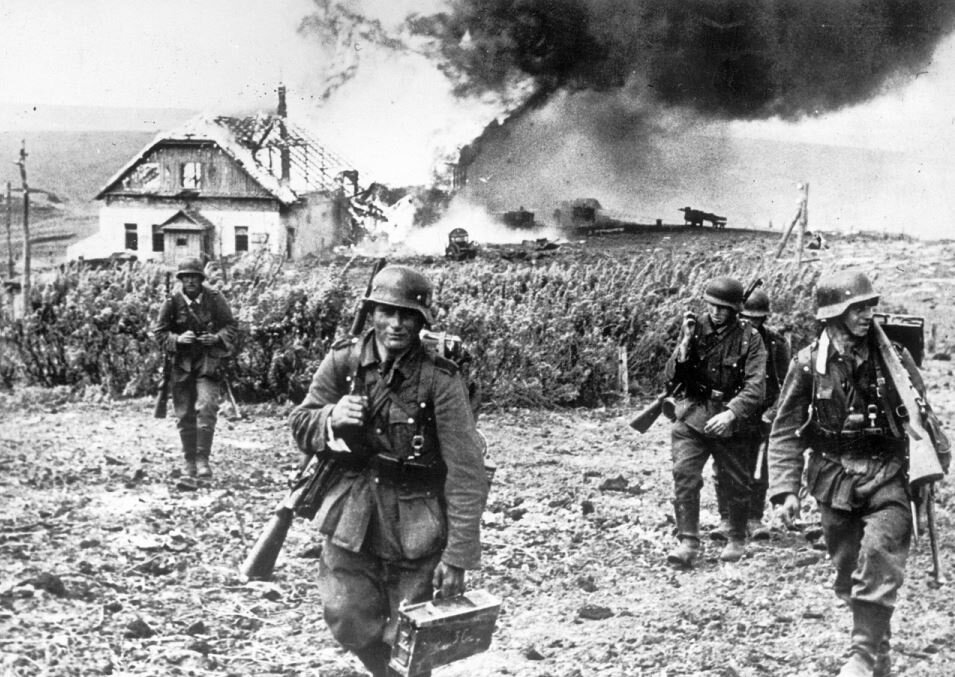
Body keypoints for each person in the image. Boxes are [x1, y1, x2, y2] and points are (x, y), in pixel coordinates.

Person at [288, 265, 489, 677]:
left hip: (416, 523)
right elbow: (300, 423)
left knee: (410, 637)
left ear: (421, 321)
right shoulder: (344, 361)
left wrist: (458, 555)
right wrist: (331, 416)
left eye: (407, 315)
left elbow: (467, 471)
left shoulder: (439, 379)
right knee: (345, 615)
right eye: (386, 312)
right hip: (352, 514)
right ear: (372, 314)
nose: (396, 324)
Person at [768, 269, 950, 677]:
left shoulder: (894, 359)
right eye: (857, 308)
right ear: (833, 314)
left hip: (888, 475)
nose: (867, 315)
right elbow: (785, 430)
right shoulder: (808, 364)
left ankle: (862, 655)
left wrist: (930, 468)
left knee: (879, 555)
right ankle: (878, 650)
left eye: (869, 306)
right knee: (849, 571)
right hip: (834, 478)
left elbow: (924, 418)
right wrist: (784, 490)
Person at [663, 276, 766, 566]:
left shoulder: (750, 337)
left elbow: (756, 386)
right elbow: (670, 376)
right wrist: (684, 344)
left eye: (723, 307)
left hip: (730, 422)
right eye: (712, 305)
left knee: (737, 483)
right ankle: (688, 541)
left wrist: (732, 413)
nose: (716, 312)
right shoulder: (694, 328)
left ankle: (736, 537)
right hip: (693, 415)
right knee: (684, 474)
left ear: (735, 309)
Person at [712, 289, 791, 541]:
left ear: (764, 318)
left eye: (756, 319)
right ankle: (727, 518)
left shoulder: (777, 343)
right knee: (724, 466)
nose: (751, 324)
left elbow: (787, 385)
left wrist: (773, 412)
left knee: (759, 468)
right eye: (746, 318)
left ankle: (754, 517)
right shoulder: (722, 339)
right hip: (731, 413)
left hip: (762, 415)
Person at [154, 257, 237, 479]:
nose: (190, 281)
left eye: (194, 277)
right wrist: (177, 339)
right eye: (186, 277)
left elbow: (230, 325)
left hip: (208, 363)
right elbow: (159, 333)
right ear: (181, 279)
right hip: (181, 365)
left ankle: (202, 459)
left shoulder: (215, 298)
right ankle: (189, 460)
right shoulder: (172, 301)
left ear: (201, 279)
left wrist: (216, 338)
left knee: (207, 406)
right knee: (184, 413)